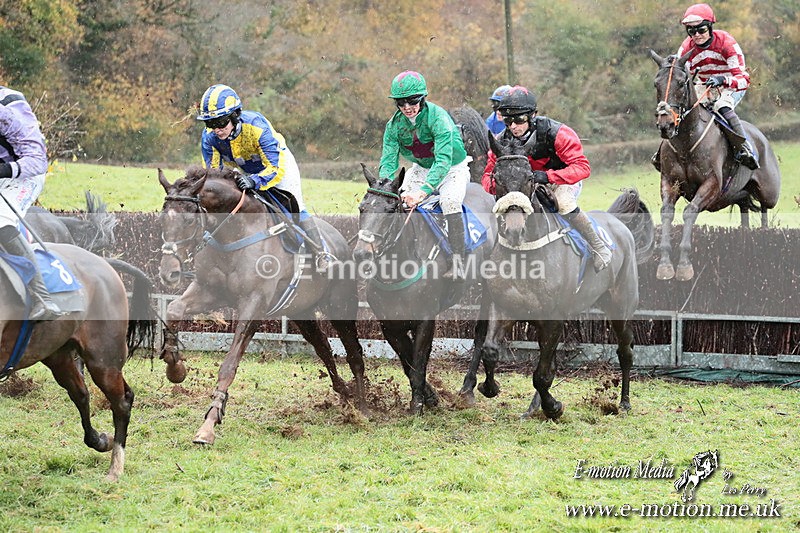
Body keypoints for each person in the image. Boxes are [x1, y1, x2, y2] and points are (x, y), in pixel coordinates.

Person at [197, 84, 331, 271]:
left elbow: (275, 168)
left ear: (235, 116)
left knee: (296, 206)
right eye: (210, 124)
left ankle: (321, 252)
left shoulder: (257, 127)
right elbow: (214, 173)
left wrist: (255, 181)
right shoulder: (209, 137)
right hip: (244, 169)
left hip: (277, 165)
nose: (216, 129)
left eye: (221, 122)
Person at [481, 85, 612, 271]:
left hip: (562, 179)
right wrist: (499, 186)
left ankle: (598, 246)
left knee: (564, 202)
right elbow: (486, 176)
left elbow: (582, 167)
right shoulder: (501, 141)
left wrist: (548, 176)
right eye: (508, 120)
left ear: (532, 115)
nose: (513, 126)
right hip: (526, 184)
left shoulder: (557, 133)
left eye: (519, 119)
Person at [378, 70, 470, 279]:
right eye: (401, 103)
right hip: (421, 168)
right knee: (397, 202)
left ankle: (458, 262)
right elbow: (388, 161)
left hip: (452, 168)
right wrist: (385, 187)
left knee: (450, 202)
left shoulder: (438, 118)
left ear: (422, 98)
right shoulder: (393, 126)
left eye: (412, 101)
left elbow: (443, 160)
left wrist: (423, 192)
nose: (407, 107)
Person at [652, 3, 759, 171]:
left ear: (710, 26)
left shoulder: (726, 42)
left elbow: (744, 79)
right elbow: (677, 72)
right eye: (691, 31)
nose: (697, 35)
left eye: (701, 30)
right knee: (683, 110)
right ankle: (663, 152)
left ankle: (744, 147)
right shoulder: (687, 47)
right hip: (705, 85)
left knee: (720, 105)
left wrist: (722, 79)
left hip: (731, 84)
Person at [0, 86, 63, 320]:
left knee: (0, 219)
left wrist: (5, 170)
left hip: (25, 175)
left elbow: (37, 160)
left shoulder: (8, 107)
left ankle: (42, 297)